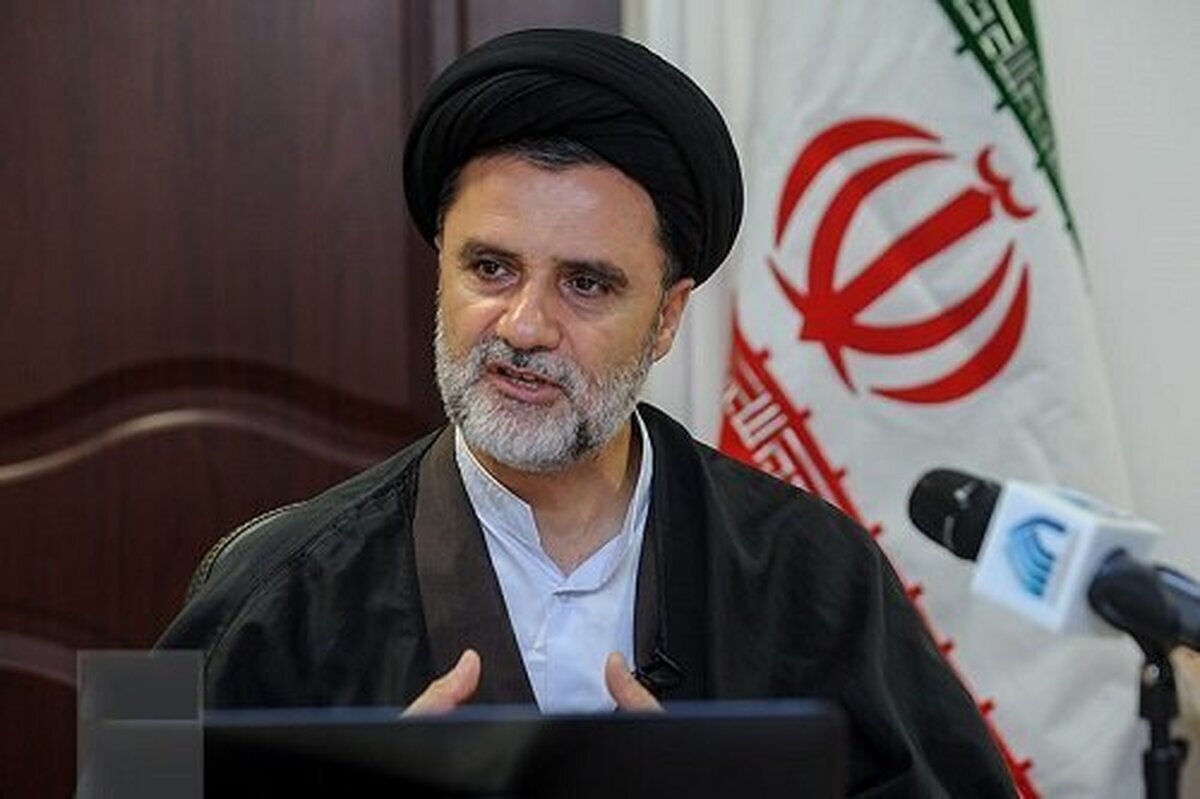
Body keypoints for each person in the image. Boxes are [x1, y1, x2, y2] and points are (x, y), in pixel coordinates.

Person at [159, 28, 1016, 796]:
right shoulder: (263, 578)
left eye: (586, 283)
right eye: (490, 268)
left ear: (667, 316)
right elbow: (117, 769)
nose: (524, 326)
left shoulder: (820, 572)